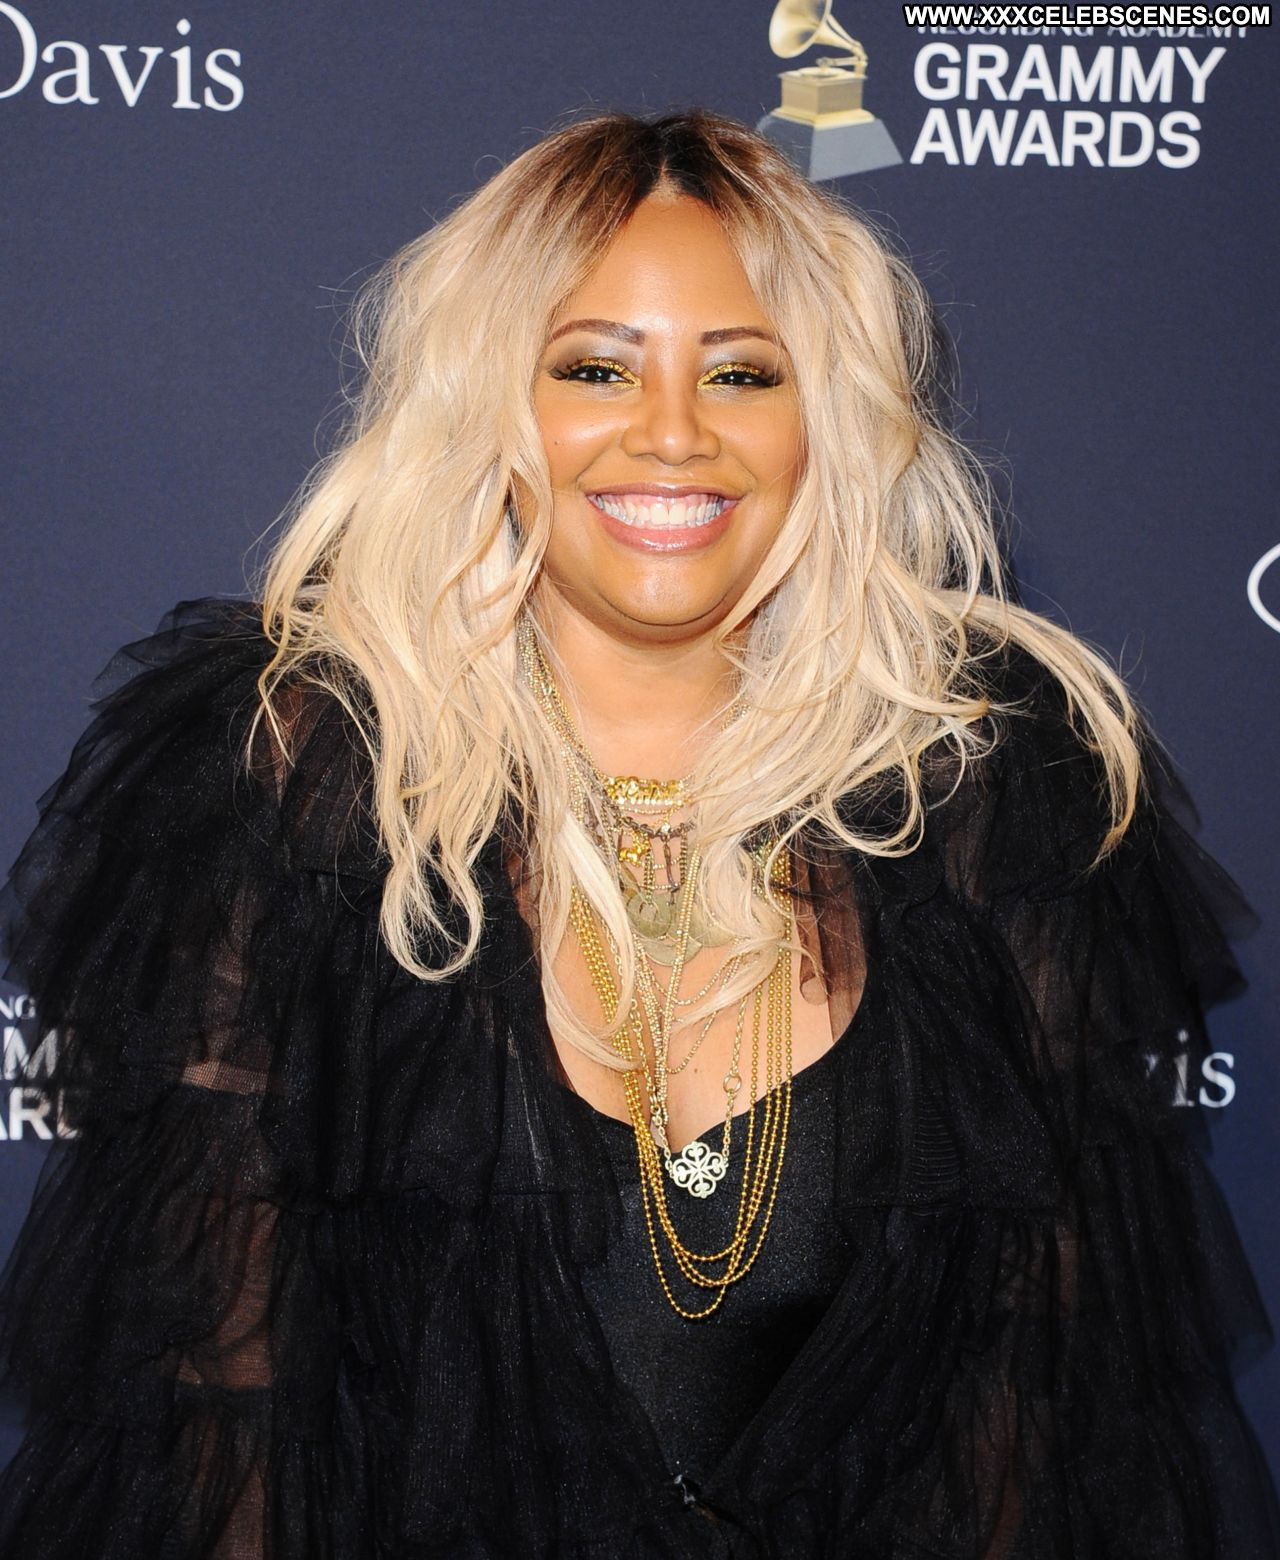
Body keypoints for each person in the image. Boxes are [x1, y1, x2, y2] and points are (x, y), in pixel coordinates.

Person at [0, 109, 1275, 1559]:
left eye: (742, 372)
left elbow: (1030, 1432)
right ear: (488, 404)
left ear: (826, 418)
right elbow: (219, 1432)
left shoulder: (987, 789)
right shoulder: (301, 783)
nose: (673, 432)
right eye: (595, 368)